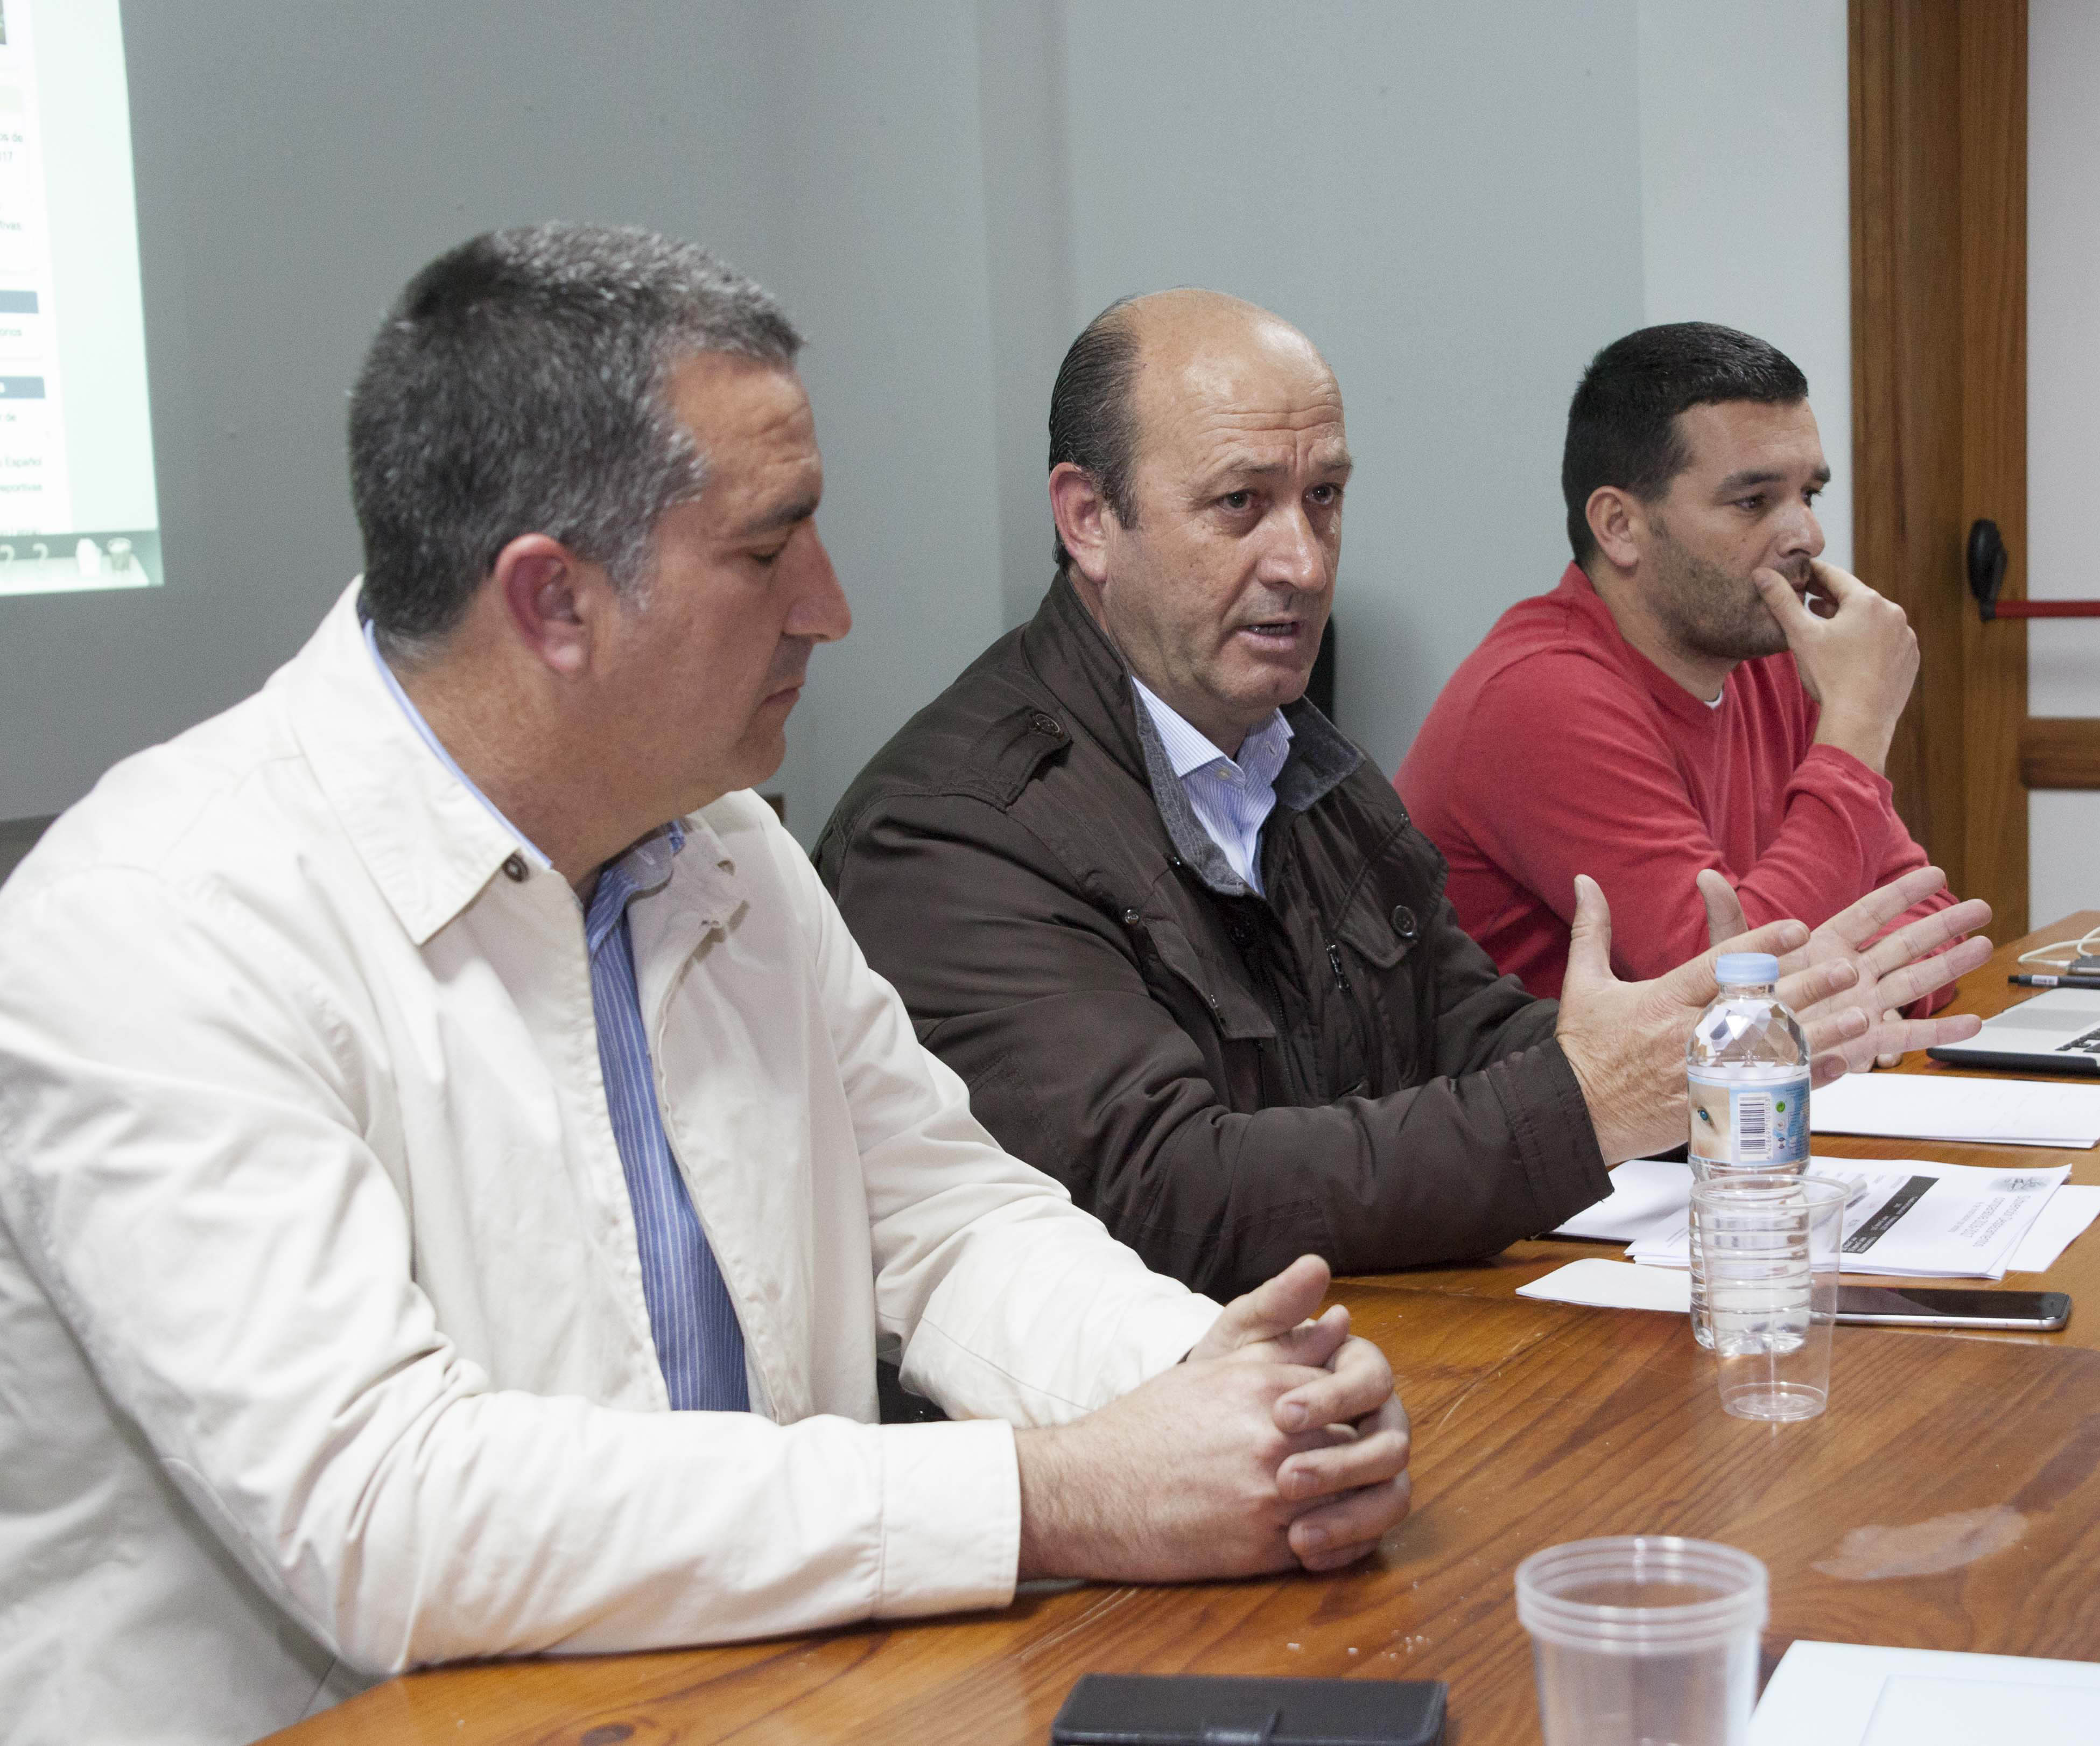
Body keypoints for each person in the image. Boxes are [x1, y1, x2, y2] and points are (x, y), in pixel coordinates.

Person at [0, 228, 1410, 1746]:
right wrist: (1050, 1491)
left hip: (755, 1696)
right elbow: (384, 1511)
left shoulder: (717, 839)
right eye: (766, 547)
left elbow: (946, 1222)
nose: (829, 604)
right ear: (553, 601)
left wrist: (1226, 1389)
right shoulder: (151, 923)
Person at [814, 290, 1990, 1301]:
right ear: (1089, 521)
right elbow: (1167, 1191)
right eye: (1240, 504)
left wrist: (1692, 1057)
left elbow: (1466, 1037)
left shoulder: (1303, 762)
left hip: (1362, 1348)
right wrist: (1592, 1098)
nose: (1303, 560)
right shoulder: (955, 830)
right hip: (1134, 1434)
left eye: (1324, 497)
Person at [1397, 322, 1957, 1017]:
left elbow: (1931, 915)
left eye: (1809, 495)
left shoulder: (1771, 662)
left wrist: (1841, 993)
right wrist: (1858, 728)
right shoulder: (1541, 697)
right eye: (1753, 502)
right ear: (1619, 527)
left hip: (1722, 1087)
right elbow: (1730, 999)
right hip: (1536, 1091)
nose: (1807, 537)